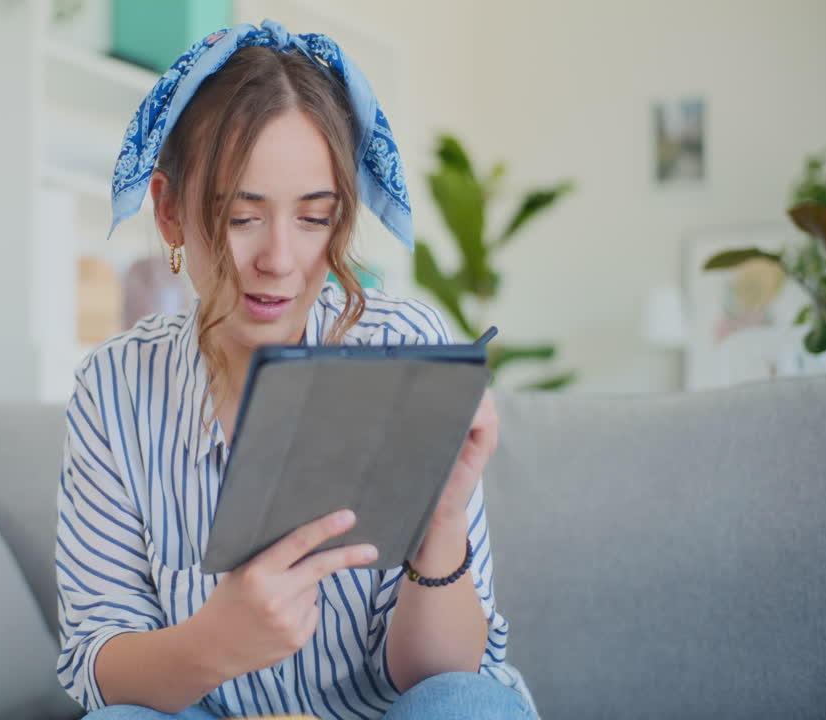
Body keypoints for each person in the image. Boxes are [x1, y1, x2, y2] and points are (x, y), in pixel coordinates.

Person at [56, 20, 537, 720]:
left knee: (466, 707)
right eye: (242, 216)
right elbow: (98, 661)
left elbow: (443, 678)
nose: (279, 259)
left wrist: (441, 524)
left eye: (314, 219)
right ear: (169, 210)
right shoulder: (115, 387)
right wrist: (214, 644)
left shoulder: (402, 348)